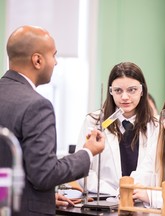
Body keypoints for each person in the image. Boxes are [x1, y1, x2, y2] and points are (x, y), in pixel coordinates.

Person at [0, 25, 105, 215]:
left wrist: (41, 197)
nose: (56, 62)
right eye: (54, 55)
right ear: (37, 60)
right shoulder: (37, 106)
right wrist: (87, 152)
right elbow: (44, 175)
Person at [76, 62, 159, 196]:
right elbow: (81, 168)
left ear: (142, 90)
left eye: (132, 90)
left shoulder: (155, 126)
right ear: (111, 91)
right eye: (118, 90)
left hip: (141, 201)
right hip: (104, 199)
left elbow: (156, 171)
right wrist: (114, 192)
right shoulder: (94, 122)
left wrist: (133, 191)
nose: (125, 97)